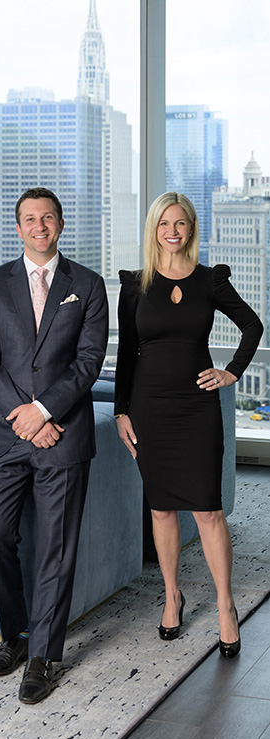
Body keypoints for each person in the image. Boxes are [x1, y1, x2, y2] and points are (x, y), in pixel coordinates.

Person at [0, 187, 108, 703]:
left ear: (61, 224)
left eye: (47, 217)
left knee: (56, 549)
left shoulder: (87, 285)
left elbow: (88, 362)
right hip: (5, 435)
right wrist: (26, 418)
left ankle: (44, 657)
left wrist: (45, 411)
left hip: (63, 436)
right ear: (18, 227)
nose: (39, 225)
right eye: (29, 218)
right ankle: (17, 635)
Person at [115, 192, 263, 658]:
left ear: (191, 228)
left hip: (197, 409)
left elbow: (253, 326)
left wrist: (232, 372)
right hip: (149, 409)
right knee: (161, 510)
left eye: (180, 223)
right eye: (164, 223)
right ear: (154, 229)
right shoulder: (135, 285)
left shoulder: (209, 280)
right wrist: (121, 412)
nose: (172, 231)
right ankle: (172, 595)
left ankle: (225, 604)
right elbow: (126, 354)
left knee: (208, 510)